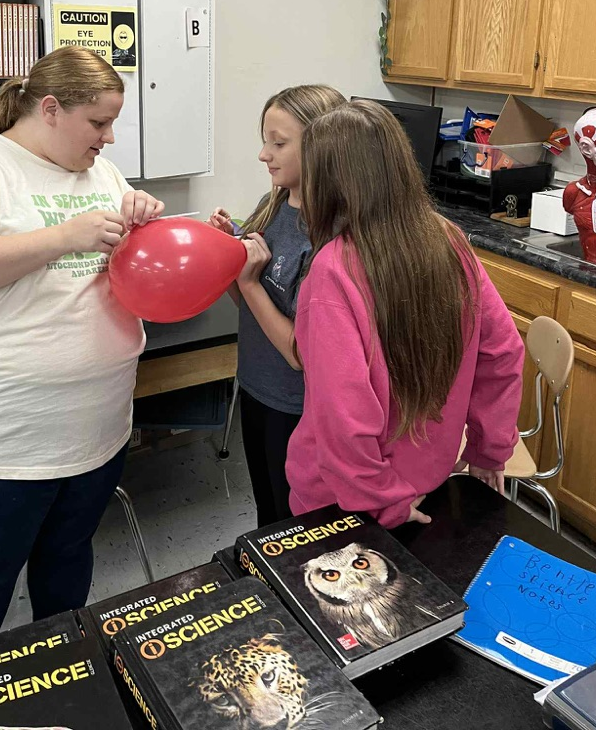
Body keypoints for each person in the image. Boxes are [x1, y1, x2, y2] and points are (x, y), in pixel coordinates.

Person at [0, 47, 164, 647]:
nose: (108, 138)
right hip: (0, 437)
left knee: (68, 557)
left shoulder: (102, 174)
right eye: (98, 122)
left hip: (96, 426)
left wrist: (144, 224)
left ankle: (61, 674)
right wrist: (63, 236)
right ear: (50, 109)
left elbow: (122, 272)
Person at [286, 99, 525, 528]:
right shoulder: (447, 238)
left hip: (345, 501)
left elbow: (344, 412)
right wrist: (489, 450)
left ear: (326, 181)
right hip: (424, 481)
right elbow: (503, 351)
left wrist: (380, 499)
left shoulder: (333, 270)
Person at [210, 85, 346, 527]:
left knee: (295, 524)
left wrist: (249, 281)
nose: (263, 155)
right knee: (267, 513)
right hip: (256, 387)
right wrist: (230, 261)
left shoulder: (330, 236)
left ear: (322, 148)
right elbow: (248, 306)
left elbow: (299, 353)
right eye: (264, 140)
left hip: (297, 407)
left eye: (279, 143)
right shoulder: (271, 206)